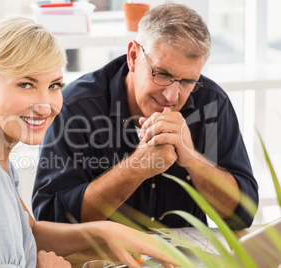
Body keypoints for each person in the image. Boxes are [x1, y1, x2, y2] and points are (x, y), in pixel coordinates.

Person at [0, 17, 179, 268]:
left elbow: (27, 231)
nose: (45, 106)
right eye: (25, 84)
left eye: (54, 85)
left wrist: (105, 231)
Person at [32, 3, 259, 230]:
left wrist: (193, 159)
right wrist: (137, 166)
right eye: (162, 74)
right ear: (133, 56)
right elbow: (52, 220)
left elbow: (243, 215)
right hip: (103, 260)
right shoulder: (75, 107)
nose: (172, 95)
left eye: (187, 81)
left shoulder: (211, 103)